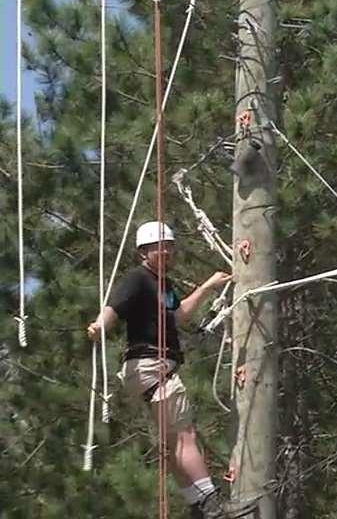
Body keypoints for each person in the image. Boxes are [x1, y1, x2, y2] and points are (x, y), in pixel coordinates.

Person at [87, 221, 234, 519]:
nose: (167, 251)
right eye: (160, 247)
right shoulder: (139, 279)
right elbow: (114, 305)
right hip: (152, 365)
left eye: (170, 246)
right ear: (144, 252)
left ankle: (197, 504)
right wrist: (100, 326)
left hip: (149, 370)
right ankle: (212, 502)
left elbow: (178, 315)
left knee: (172, 442)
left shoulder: (163, 284)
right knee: (185, 436)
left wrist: (207, 287)